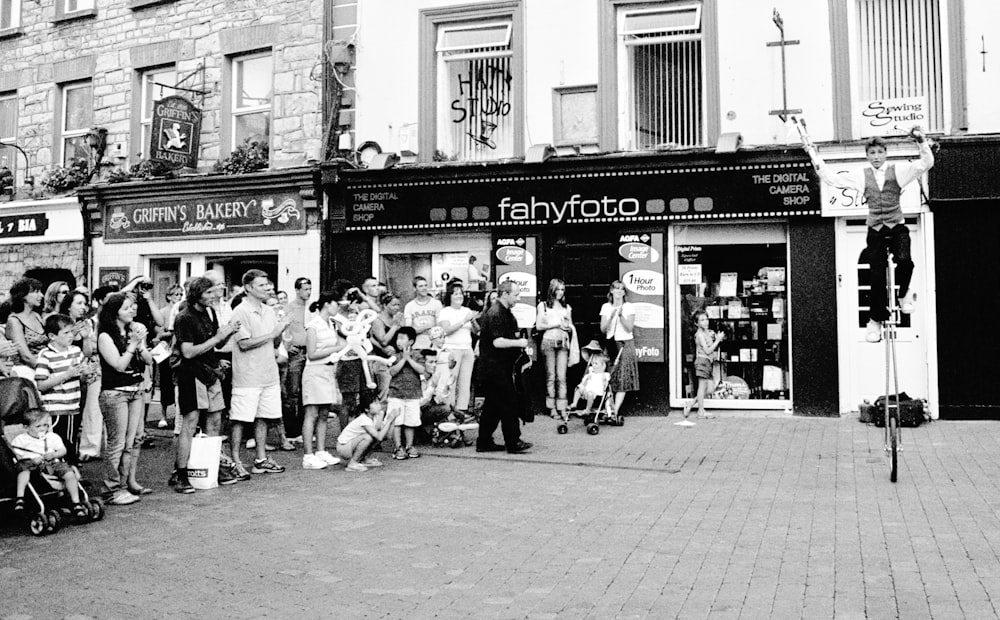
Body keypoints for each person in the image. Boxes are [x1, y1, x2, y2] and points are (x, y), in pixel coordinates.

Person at [803, 127, 934, 343]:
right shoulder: (861, 176)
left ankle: (903, 294)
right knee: (875, 275)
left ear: (885, 153)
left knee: (905, 261)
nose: (876, 157)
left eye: (879, 152)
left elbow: (926, 163)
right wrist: (813, 154)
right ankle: (875, 319)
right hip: (875, 229)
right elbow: (831, 179)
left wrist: (921, 141)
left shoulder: (899, 171)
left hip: (897, 225)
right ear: (867, 155)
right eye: (871, 153)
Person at [171, 277, 241, 493]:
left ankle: (212, 465)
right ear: (197, 294)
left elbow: (215, 341)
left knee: (215, 419)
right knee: (190, 422)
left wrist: (227, 332)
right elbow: (188, 352)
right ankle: (181, 473)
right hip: (191, 374)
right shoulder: (184, 317)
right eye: (209, 293)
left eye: (215, 292)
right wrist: (218, 338)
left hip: (210, 373)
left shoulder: (209, 313)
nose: (214, 296)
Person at [229, 269, 289, 476]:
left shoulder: (269, 310)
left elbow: (274, 341)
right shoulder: (240, 312)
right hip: (248, 375)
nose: (268, 289)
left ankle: (260, 459)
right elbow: (244, 343)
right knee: (240, 419)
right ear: (248, 288)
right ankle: (235, 462)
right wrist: (272, 333)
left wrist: (280, 332)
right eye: (262, 285)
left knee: (264, 416)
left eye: (268, 284)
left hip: (268, 374)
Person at [97, 292, 154, 505]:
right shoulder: (105, 336)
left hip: (136, 390)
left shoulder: (132, 331)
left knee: (134, 440)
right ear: (114, 313)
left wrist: (140, 343)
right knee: (117, 442)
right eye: (127, 307)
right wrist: (132, 345)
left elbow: (149, 359)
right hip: (115, 393)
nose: (133, 310)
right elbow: (119, 365)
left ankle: (127, 481)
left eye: (133, 306)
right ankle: (111, 489)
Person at [475, 281, 532, 454]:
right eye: (515, 294)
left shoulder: (505, 313)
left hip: (498, 367)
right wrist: (519, 342)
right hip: (494, 368)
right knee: (509, 403)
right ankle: (513, 442)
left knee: (492, 407)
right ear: (505, 294)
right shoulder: (496, 313)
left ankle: (484, 442)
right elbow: (497, 342)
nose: (518, 298)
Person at [11, 409, 88, 518]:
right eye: (38, 426)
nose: (43, 429)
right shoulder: (21, 440)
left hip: (52, 463)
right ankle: (20, 498)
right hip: (33, 466)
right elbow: (17, 456)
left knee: (69, 473)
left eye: (45, 425)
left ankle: (76, 502)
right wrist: (32, 460)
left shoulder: (52, 437)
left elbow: (63, 451)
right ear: (26, 427)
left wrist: (54, 455)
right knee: (23, 468)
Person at [300, 291, 346, 470]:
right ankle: (308, 455)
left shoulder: (332, 324)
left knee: (324, 414)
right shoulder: (313, 325)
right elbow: (311, 354)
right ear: (327, 304)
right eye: (336, 304)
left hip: (328, 372)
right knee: (311, 413)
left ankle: (320, 451)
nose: (338, 308)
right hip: (314, 372)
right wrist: (336, 348)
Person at [34, 314, 89, 458]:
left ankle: (72, 473)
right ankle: (64, 474)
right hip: (56, 409)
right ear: (52, 336)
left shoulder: (75, 351)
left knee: (71, 442)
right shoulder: (45, 355)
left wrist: (87, 373)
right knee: (58, 444)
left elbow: (82, 377)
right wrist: (67, 374)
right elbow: (41, 385)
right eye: (66, 333)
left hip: (74, 406)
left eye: (71, 331)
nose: (71, 335)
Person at [63, 290, 102, 462]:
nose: (83, 307)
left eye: (85, 304)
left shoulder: (86, 323)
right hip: (64, 371)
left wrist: (86, 337)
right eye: (79, 303)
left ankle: (74, 458)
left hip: (81, 372)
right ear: (68, 305)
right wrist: (71, 333)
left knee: (79, 413)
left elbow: (86, 351)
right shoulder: (61, 322)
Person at [436, 281, 478, 418]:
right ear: (449, 296)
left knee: (465, 382)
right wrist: (464, 321)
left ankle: (462, 411)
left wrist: (474, 321)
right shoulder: (445, 311)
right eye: (455, 294)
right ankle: (449, 411)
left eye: (461, 294)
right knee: (451, 382)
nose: (459, 296)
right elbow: (446, 330)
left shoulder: (467, 311)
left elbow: (477, 331)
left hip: (467, 349)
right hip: (452, 350)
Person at [535, 278, 575, 419]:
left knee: (562, 377)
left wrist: (567, 327)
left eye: (562, 289)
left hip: (563, 342)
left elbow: (569, 326)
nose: (560, 292)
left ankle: (562, 408)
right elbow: (539, 326)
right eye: (557, 289)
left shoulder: (566, 307)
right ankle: (551, 408)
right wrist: (556, 324)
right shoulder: (543, 306)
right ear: (552, 290)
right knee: (551, 376)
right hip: (548, 342)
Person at [599, 280, 639, 417]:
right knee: (608, 377)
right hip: (611, 344)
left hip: (625, 343)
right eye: (616, 288)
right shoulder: (606, 307)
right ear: (611, 291)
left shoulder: (629, 307)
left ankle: (615, 410)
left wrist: (621, 315)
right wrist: (610, 317)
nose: (618, 291)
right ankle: (608, 408)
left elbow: (629, 328)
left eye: (621, 289)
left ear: (624, 292)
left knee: (623, 378)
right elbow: (603, 329)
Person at [281, 277, 312, 444]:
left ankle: (302, 428)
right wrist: (286, 346)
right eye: (305, 289)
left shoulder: (311, 308)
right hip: (295, 352)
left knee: (305, 391)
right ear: (297, 290)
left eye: (309, 289)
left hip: (309, 351)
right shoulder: (289, 308)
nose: (308, 292)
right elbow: (280, 327)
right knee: (292, 391)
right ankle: (291, 430)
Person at [387, 326, 426, 460]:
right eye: (398, 338)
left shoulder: (418, 355)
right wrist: (403, 359)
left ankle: (409, 445)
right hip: (395, 393)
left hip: (413, 394)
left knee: (411, 421)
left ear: (411, 341)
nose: (399, 341)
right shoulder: (394, 356)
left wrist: (409, 359)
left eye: (402, 338)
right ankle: (398, 447)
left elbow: (422, 370)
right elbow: (392, 371)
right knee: (397, 421)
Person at [335, 392, 398, 472]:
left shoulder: (375, 417)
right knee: (368, 437)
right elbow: (379, 436)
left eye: (378, 403)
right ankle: (353, 463)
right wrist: (389, 420)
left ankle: (365, 459)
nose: (379, 406)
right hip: (343, 448)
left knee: (374, 436)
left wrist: (393, 419)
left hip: (351, 445)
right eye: (375, 403)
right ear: (367, 409)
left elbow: (387, 436)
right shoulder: (364, 419)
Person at [682, 310, 725, 419]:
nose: (706, 322)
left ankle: (691, 403)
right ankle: (701, 411)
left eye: (706, 319)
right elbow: (707, 350)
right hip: (702, 362)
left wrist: (716, 337)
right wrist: (717, 340)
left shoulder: (708, 332)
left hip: (708, 363)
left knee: (710, 389)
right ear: (696, 323)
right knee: (702, 387)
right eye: (702, 320)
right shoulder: (699, 335)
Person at [156, 283, 184, 429]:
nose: (179, 297)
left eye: (181, 294)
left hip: (177, 350)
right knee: (165, 381)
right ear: (168, 296)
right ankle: (163, 415)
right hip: (165, 350)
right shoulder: (163, 311)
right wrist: (171, 331)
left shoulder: (182, 309)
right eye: (176, 294)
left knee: (177, 383)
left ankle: (178, 415)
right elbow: (158, 334)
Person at [6, 277, 47, 375]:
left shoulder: (36, 316)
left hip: (43, 366)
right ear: (23, 295)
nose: (41, 295)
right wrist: (46, 370)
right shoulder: (14, 321)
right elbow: (25, 356)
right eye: (36, 292)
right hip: (26, 371)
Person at [370, 292, 403, 404]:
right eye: (394, 305)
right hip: (382, 362)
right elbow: (384, 341)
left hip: (396, 360)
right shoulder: (378, 321)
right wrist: (394, 326)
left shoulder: (397, 319)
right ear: (385, 305)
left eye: (398, 305)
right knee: (385, 394)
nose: (397, 308)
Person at [403, 275, 442, 351]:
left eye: (425, 285)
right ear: (415, 288)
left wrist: (418, 329)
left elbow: (439, 327)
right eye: (421, 286)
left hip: (433, 347)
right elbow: (409, 331)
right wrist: (427, 327)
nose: (424, 288)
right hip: (416, 347)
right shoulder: (409, 306)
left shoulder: (436, 304)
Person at [570, 347, 611, 416]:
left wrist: (604, 380)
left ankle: (588, 409)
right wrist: (586, 379)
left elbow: (606, 383)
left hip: (597, 392)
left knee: (590, 393)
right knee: (578, 388)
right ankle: (574, 403)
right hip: (587, 390)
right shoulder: (590, 374)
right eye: (592, 363)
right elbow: (583, 383)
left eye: (596, 363)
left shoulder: (604, 375)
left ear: (603, 366)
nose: (593, 365)